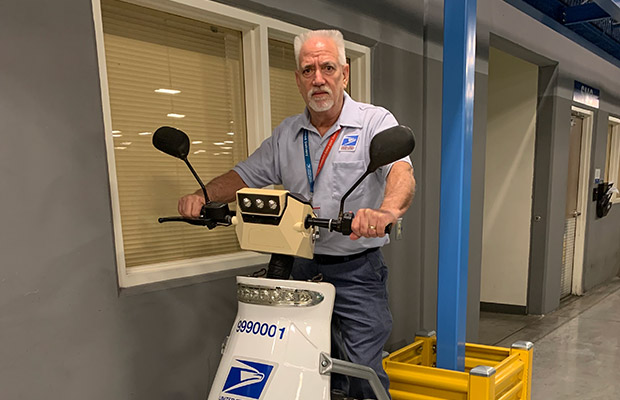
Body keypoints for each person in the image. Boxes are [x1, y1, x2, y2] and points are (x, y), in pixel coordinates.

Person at [178, 29, 415, 400]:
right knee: (296, 366)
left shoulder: (374, 122)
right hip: (298, 267)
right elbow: (245, 174)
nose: (318, 79)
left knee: (361, 369)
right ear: (298, 79)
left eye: (327, 67)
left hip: (357, 268)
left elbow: (401, 171)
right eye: (308, 70)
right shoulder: (287, 135)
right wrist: (202, 195)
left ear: (345, 73)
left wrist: (386, 211)